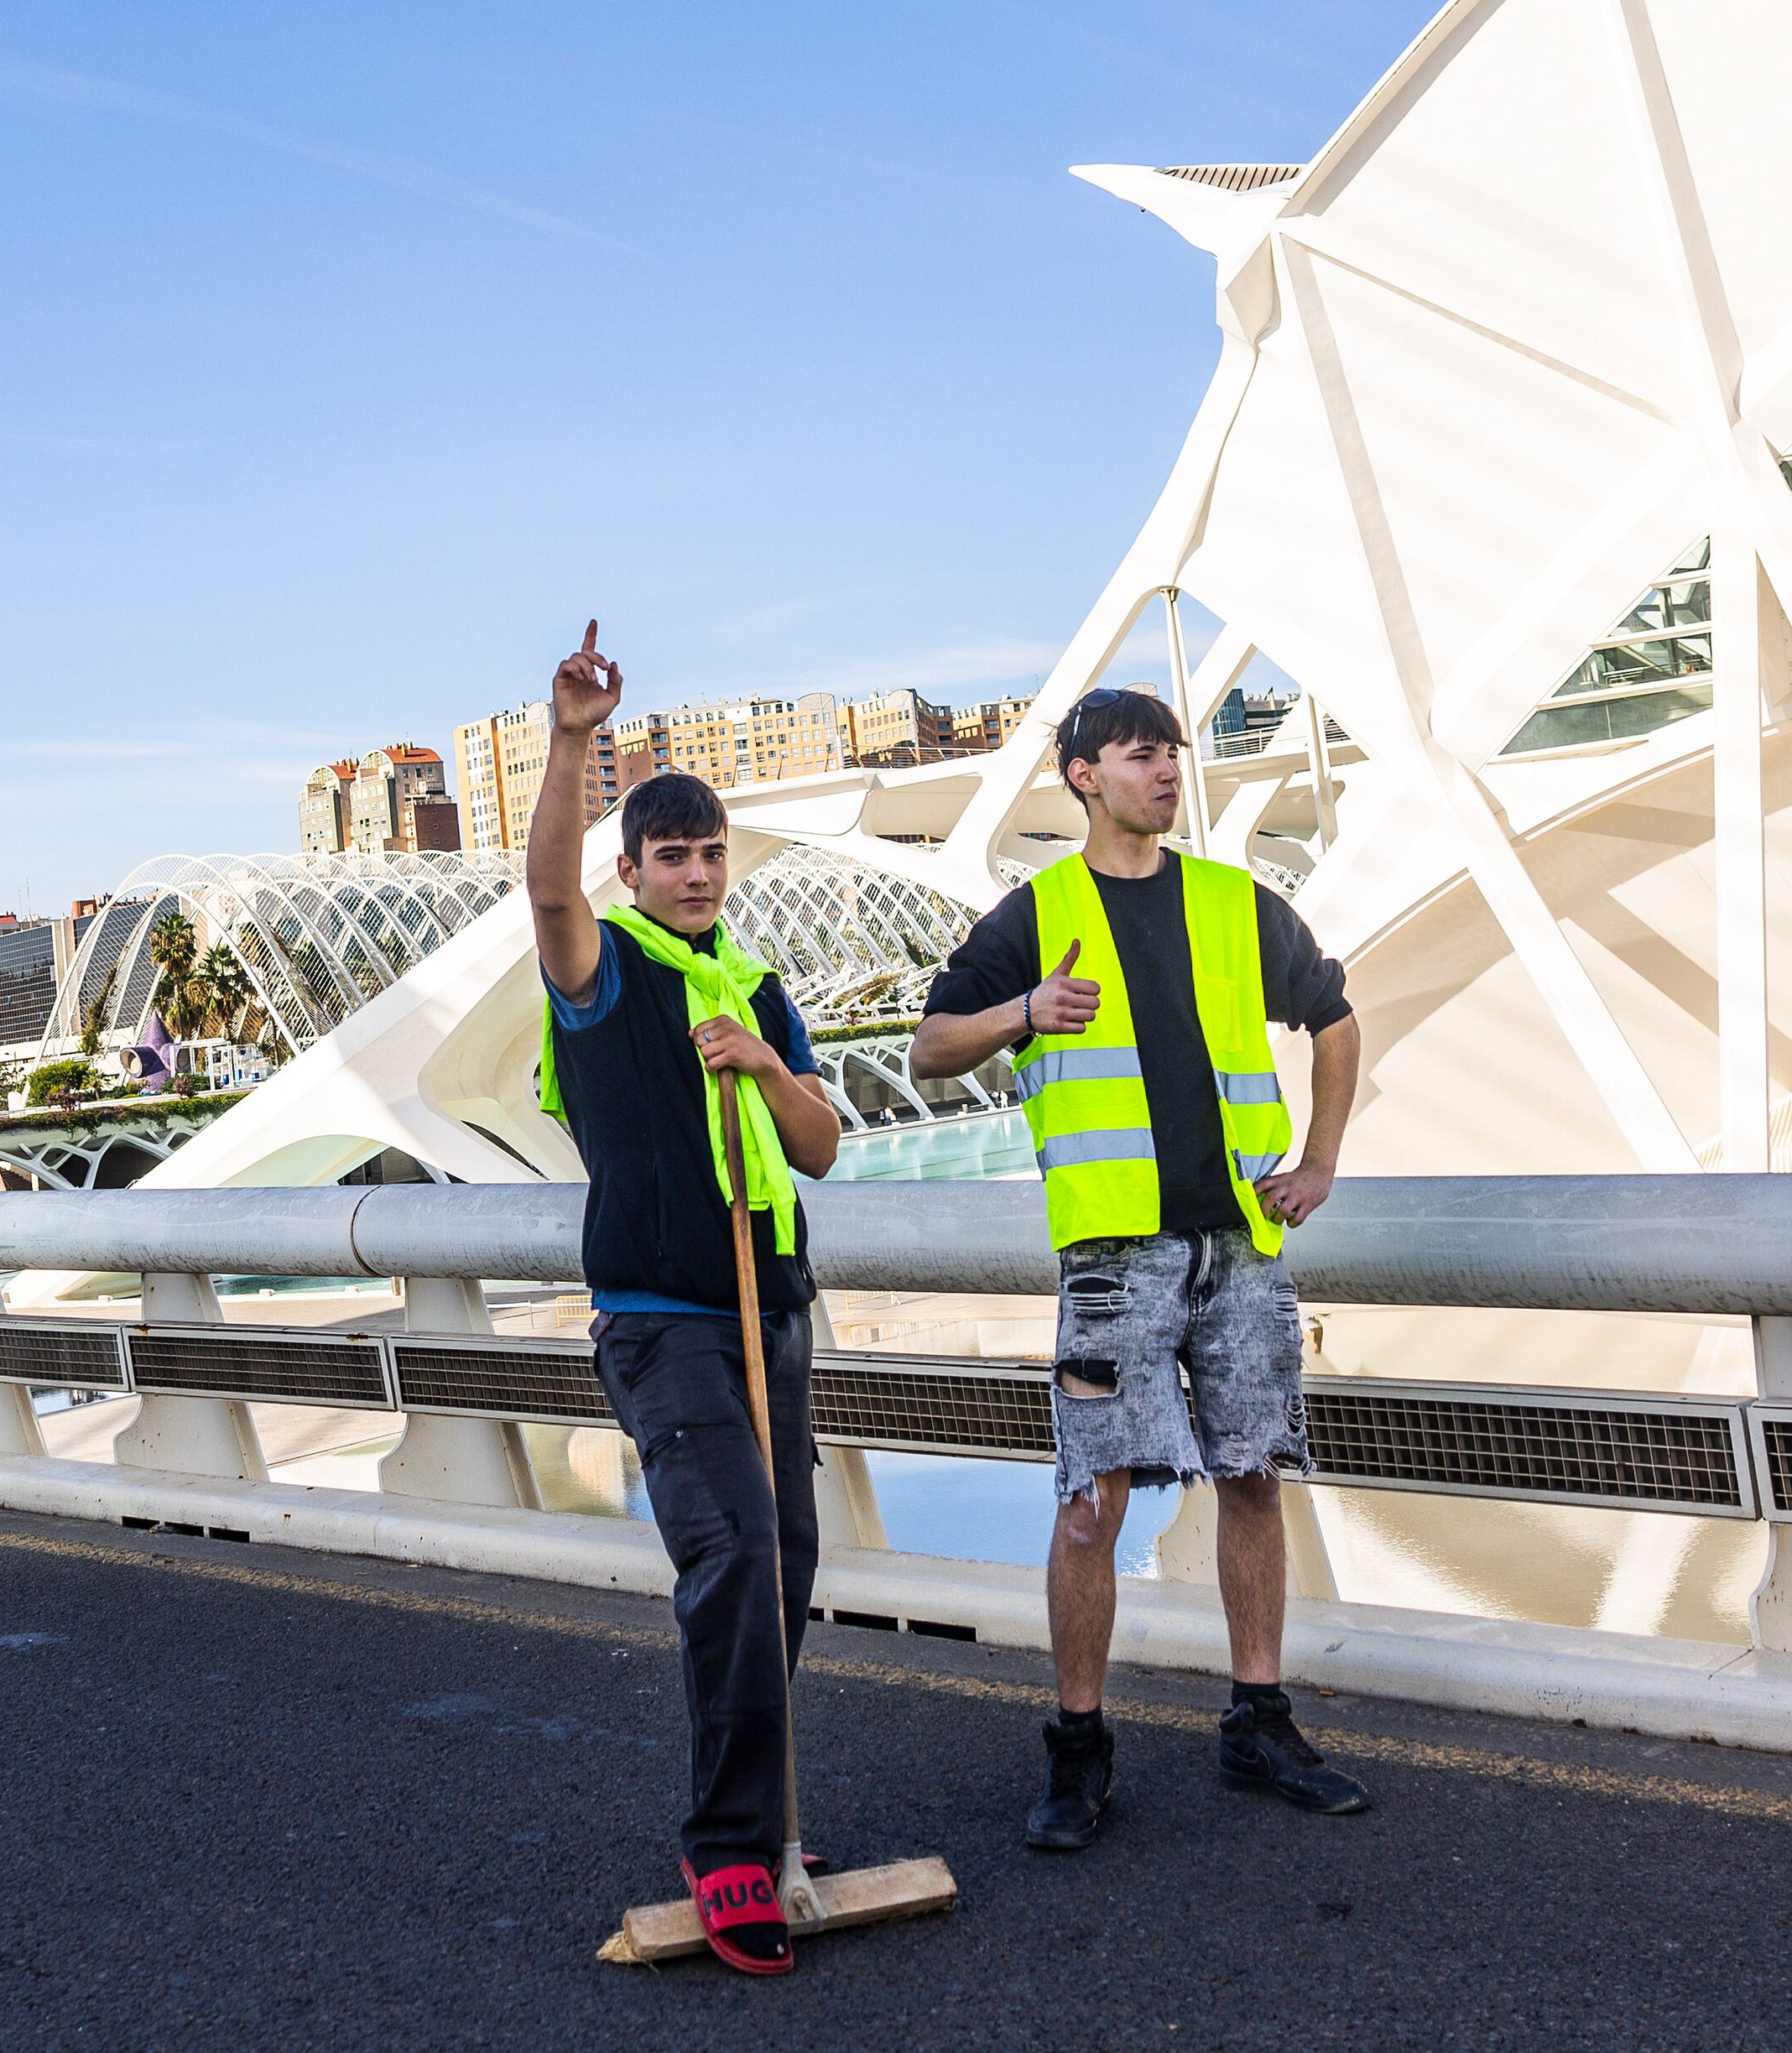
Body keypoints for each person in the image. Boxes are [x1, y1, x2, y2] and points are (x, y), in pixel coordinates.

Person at [908, 684, 1370, 1852]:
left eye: (1171, 751)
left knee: (1253, 1474)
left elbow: (1335, 1017)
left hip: (1240, 1245)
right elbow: (930, 1045)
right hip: (1114, 1257)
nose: (1166, 770)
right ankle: (1078, 1750)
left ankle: (1260, 1721)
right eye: (1139, 753)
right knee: (1089, 1504)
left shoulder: (1231, 901)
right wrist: (1024, 1008)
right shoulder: (1037, 913)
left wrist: (1318, 1160)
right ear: (1082, 776)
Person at [527, 621, 846, 1977]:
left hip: (769, 1309)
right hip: (663, 1319)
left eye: (713, 853)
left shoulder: (759, 987)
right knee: (732, 1557)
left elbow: (823, 1141)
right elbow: (545, 898)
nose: (699, 873)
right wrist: (573, 742)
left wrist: (763, 1066)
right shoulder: (603, 977)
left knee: (792, 1568)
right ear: (633, 869)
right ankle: (727, 1849)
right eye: (673, 856)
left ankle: (766, 1807)